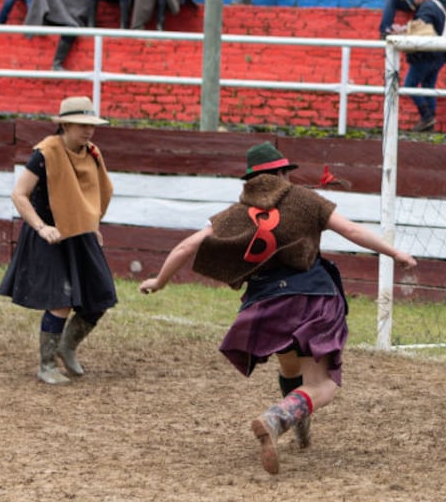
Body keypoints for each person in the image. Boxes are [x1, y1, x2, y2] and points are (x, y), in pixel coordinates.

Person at [138, 142, 418, 476]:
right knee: (323, 385)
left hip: (267, 305)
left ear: (250, 180)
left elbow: (188, 245)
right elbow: (352, 230)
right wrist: (395, 253)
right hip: (312, 298)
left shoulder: (235, 214)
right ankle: (279, 417)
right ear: (283, 174)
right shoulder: (305, 199)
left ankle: (299, 422)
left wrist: (160, 281)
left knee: (289, 365)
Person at [0, 96, 117, 385]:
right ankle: (46, 364)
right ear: (64, 124)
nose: (88, 132)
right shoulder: (45, 152)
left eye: (91, 126)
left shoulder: (92, 153)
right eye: (81, 125)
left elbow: (93, 193)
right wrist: (41, 227)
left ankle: (67, 347)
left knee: (99, 297)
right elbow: (19, 194)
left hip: (80, 232)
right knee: (60, 300)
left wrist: (92, 224)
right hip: (49, 234)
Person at [397, 0, 446, 132]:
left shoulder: (428, 6)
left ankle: (426, 116)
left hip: (426, 54)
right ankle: (430, 121)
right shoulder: (444, 6)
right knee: (428, 86)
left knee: (409, 85)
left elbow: (421, 27)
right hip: (440, 54)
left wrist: (404, 32)